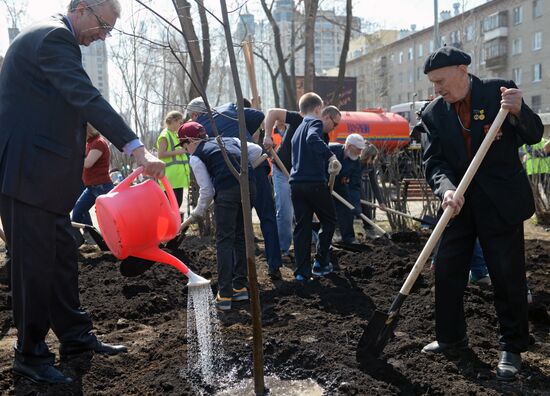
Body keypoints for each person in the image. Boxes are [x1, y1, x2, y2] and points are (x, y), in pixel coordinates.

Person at [0, 0, 165, 385]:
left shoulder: (53, 37)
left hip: (43, 179)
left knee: (62, 261)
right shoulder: (55, 37)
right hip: (27, 176)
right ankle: (30, 355)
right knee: (33, 270)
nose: (104, 36)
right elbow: (86, 98)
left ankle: (75, 338)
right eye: (103, 26)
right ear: (83, 8)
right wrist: (137, 149)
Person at [420, 46, 543, 381]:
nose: (438, 89)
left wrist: (519, 111)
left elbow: (533, 134)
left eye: (441, 81)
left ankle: (512, 346)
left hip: (500, 201)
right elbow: (434, 163)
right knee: (447, 271)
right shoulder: (433, 113)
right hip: (457, 204)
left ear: (462, 70)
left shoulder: (498, 92)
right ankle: (450, 338)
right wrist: (446, 189)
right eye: (433, 84)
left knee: (507, 275)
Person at [186, 97, 284, 280]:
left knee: (234, 228)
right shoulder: (228, 109)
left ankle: (237, 276)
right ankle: (274, 264)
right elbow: (258, 115)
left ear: (194, 114)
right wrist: (247, 133)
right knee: (267, 217)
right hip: (256, 163)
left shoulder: (199, 131)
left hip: (231, 179)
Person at [178, 122, 262, 311]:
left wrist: (197, 213)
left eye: (184, 146)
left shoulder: (196, 157)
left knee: (224, 240)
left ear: (191, 141)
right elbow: (256, 151)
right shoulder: (229, 140)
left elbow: (207, 191)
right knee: (240, 237)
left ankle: (224, 295)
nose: (185, 150)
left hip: (227, 194)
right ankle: (240, 287)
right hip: (249, 189)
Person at [264, 104, 343, 257]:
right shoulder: (301, 118)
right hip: (282, 170)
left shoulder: (324, 136)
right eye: (335, 124)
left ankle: (317, 246)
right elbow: (272, 112)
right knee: (286, 212)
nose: (335, 128)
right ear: (326, 116)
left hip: (300, 178)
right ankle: (283, 250)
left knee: (309, 214)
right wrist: (267, 136)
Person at [289, 93, 342, 281]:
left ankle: (302, 272)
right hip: (313, 183)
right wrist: (331, 157)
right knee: (329, 220)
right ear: (319, 109)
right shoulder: (315, 124)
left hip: (296, 184)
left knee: (302, 227)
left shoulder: (296, 130)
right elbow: (313, 139)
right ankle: (320, 262)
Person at [71, 124, 114, 230]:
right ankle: (88, 236)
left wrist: (72, 157)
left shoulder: (98, 143)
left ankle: (116, 238)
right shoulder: (89, 143)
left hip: (102, 186)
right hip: (91, 187)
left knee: (108, 216)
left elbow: (88, 163)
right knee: (78, 211)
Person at [329, 134, 365, 244]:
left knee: (347, 208)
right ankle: (326, 238)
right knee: (326, 211)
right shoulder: (331, 150)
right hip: (322, 183)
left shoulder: (356, 162)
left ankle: (348, 238)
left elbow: (355, 185)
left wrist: (355, 204)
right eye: (358, 149)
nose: (360, 152)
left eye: (361, 150)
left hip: (339, 185)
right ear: (349, 146)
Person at [156, 111, 190, 210]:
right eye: (180, 122)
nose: (181, 125)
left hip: (177, 178)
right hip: (170, 178)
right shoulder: (165, 135)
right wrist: (179, 152)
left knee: (176, 205)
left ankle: (175, 225)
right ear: (173, 121)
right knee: (172, 206)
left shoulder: (174, 134)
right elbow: (161, 154)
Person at [358, 142, 387, 238]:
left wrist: (381, 202)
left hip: (357, 185)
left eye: (373, 158)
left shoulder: (370, 166)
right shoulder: (357, 162)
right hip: (347, 184)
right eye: (371, 157)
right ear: (365, 155)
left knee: (365, 205)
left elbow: (374, 183)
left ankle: (369, 230)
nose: (371, 161)